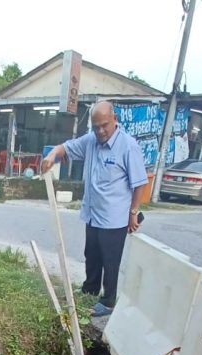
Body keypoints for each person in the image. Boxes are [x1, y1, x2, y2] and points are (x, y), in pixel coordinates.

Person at [41, 100, 148, 317]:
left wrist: (133, 213)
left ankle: (108, 301)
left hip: (114, 217)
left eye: (105, 125)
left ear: (115, 120)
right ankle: (90, 290)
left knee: (110, 260)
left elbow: (139, 183)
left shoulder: (128, 146)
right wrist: (52, 154)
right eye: (96, 126)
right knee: (92, 254)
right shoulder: (91, 140)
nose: (100, 131)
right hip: (92, 213)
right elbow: (66, 147)